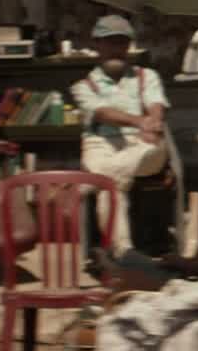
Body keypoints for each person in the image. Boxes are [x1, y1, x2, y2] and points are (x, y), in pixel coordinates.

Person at [70, 15, 170, 258]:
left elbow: (155, 104)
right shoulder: (83, 86)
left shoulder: (147, 76)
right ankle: (124, 254)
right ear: (97, 45)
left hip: (142, 143)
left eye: (122, 42)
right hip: (101, 143)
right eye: (110, 42)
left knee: (150, 151)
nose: (117, 48)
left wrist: (153, 122)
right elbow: (102, 113)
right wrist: (140, 121)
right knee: (111, 189)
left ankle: (86, 184)